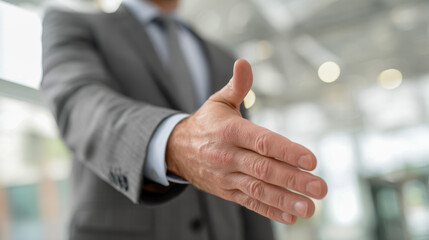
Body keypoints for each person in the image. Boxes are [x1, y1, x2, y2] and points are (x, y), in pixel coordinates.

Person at [41, 0, 328, 239]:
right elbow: (79, 103)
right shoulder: (72, 23)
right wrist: (174, 143)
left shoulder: (223, 57)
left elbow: (245, 171)